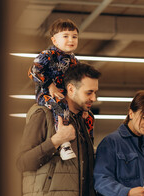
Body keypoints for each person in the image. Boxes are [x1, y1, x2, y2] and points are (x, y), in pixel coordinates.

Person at [17, 63, 101, 196]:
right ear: (71, 89)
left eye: (95, 92)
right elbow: (23, 161)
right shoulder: (43, 114)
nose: (94, 98)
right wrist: (56, 140)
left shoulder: (81, 122)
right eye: (89, 92)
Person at [28, 18, 95, 160]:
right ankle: (64, 145)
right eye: (65, 36)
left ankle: (88, 145)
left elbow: (79, 82)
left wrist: (84, 106)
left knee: (89, 116)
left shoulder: (74, 60)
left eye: (74, 36)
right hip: (46, 93)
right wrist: (49, 85)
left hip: (64, 94)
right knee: (61, 105)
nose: (71, 39)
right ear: (54, 40)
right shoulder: (48, 55)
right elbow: (33, 71)